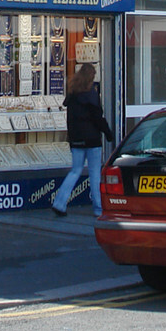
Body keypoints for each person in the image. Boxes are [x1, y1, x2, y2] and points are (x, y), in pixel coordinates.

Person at [53, 64, 112, 217]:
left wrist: (71, 137)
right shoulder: (91, 94)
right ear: (91, 77)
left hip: (76, 139)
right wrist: (108, 133)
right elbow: (98, 117)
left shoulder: (72, 95)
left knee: (75, 170)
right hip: (92, 139)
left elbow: (70, 119)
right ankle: (98, 208)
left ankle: (59, 203)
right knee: (94, 173)